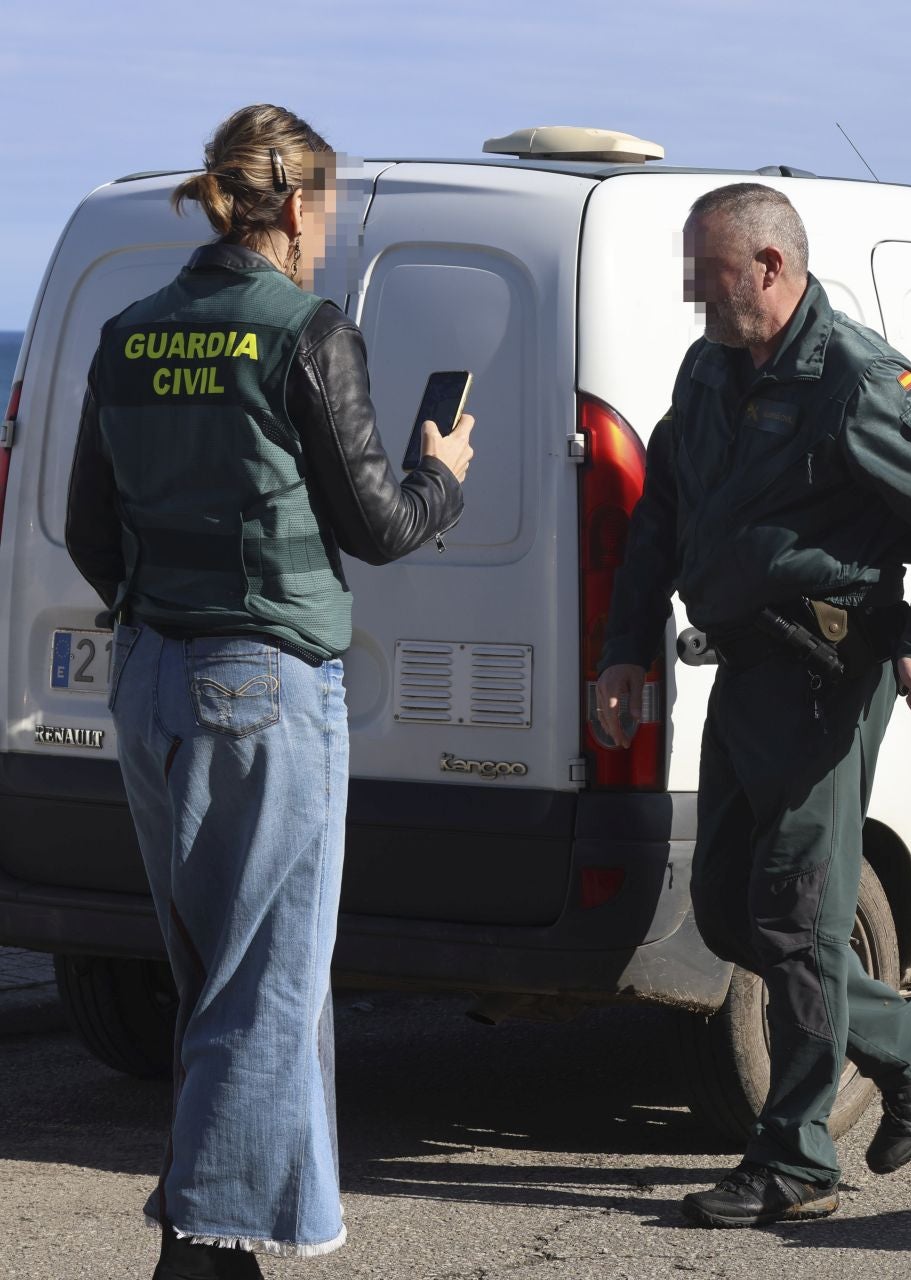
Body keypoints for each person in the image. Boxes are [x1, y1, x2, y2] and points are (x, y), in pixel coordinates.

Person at [65, 105, 474, 1279]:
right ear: (296, 207)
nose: (329, 233)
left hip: (147, 679)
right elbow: (380, 526)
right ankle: (197, 1254)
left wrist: (172, 612)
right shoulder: (306, 331)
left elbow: (93, 527)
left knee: (215, 974)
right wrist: (439, 472)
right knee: (270, 981)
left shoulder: (129, 330)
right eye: (330, 211)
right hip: (264, 686)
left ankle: (232, 1247)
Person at [595, 183, 911, 1228]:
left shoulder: (858, 378)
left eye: (710, 271)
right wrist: (624, 652)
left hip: (827, 677)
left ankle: (796, 1158)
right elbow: (663, 517)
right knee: (734, 907)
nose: (694, 292)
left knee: (798, 915)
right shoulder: (710, 370)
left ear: (771, 268)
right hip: (744, 672)